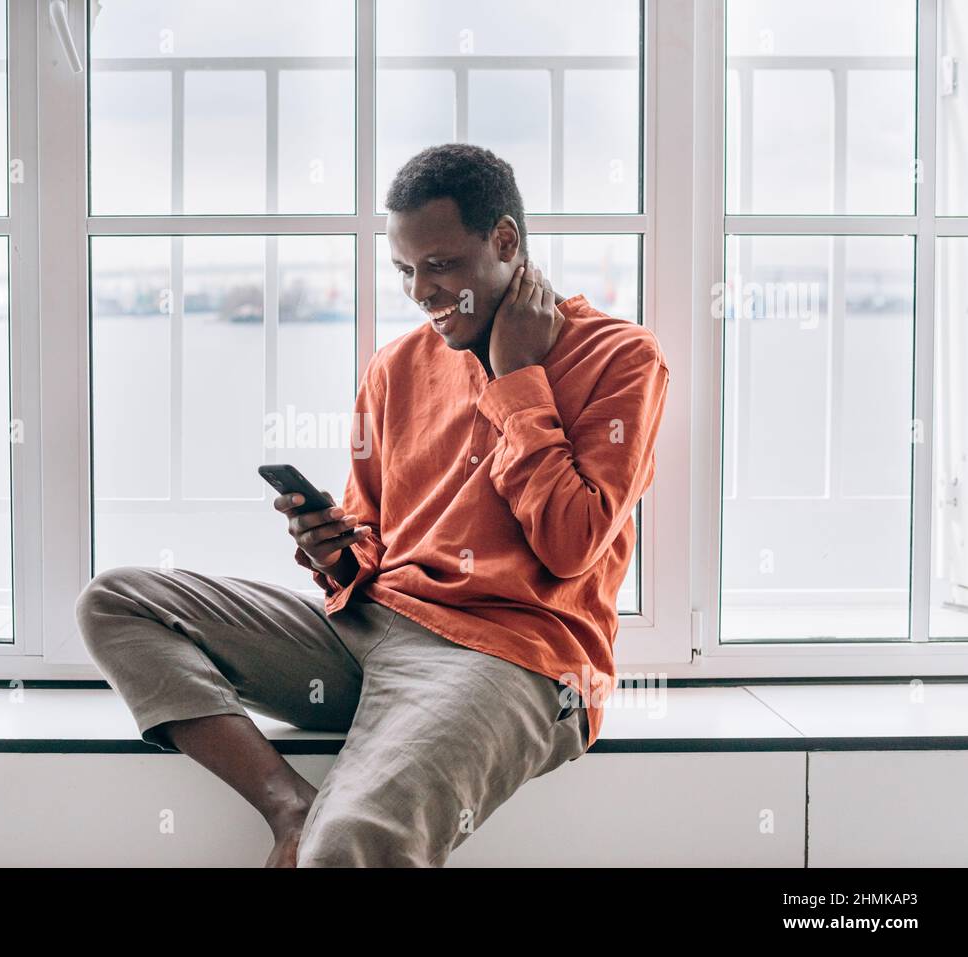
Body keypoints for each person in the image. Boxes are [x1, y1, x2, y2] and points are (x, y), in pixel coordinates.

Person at [75, 143, 670, 867]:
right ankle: (286, 805)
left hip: (512, 655)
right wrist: (334, 551)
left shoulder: (622, 358)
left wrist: (517, 379)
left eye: (441, 265)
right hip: (371, 628)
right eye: (405, 270)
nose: (420, 291)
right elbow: (372, 542)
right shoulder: (397, 366)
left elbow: (570, 544)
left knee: (347, 847)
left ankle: (321, 824)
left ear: (505, 241)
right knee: (116, 602)